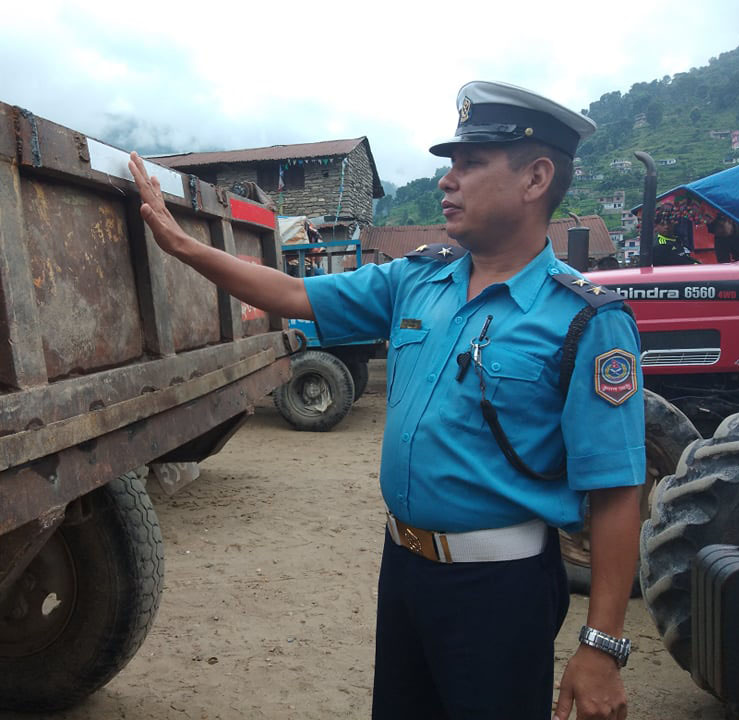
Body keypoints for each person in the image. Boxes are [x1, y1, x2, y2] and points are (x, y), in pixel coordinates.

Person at [128, 80, 644, 720]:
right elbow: (293, 296)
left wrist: (602, 647)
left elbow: (618, 487)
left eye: (470, 164)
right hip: (404, 567)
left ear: (537, 177)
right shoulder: (416, 280)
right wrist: (182, 247)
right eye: (450, 164)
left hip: (501, 590)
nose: (448, 180)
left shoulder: (584, 320)